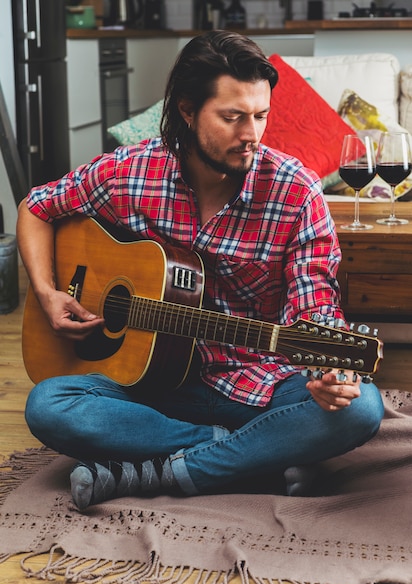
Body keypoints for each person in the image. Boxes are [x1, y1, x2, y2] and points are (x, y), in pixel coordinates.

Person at [17, 30, 384, 511]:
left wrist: (327, 370)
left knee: (361, 408)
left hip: (261, 382)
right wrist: (46, 291)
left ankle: (163, 470)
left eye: (260, 116)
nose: (251, 133)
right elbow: (37, 207)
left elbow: (315, 296)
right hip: (151, 389)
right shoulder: (131, 172)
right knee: (49, 405)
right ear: (188, 111)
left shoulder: (295, 190)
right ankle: (250, 455)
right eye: (232, 117)